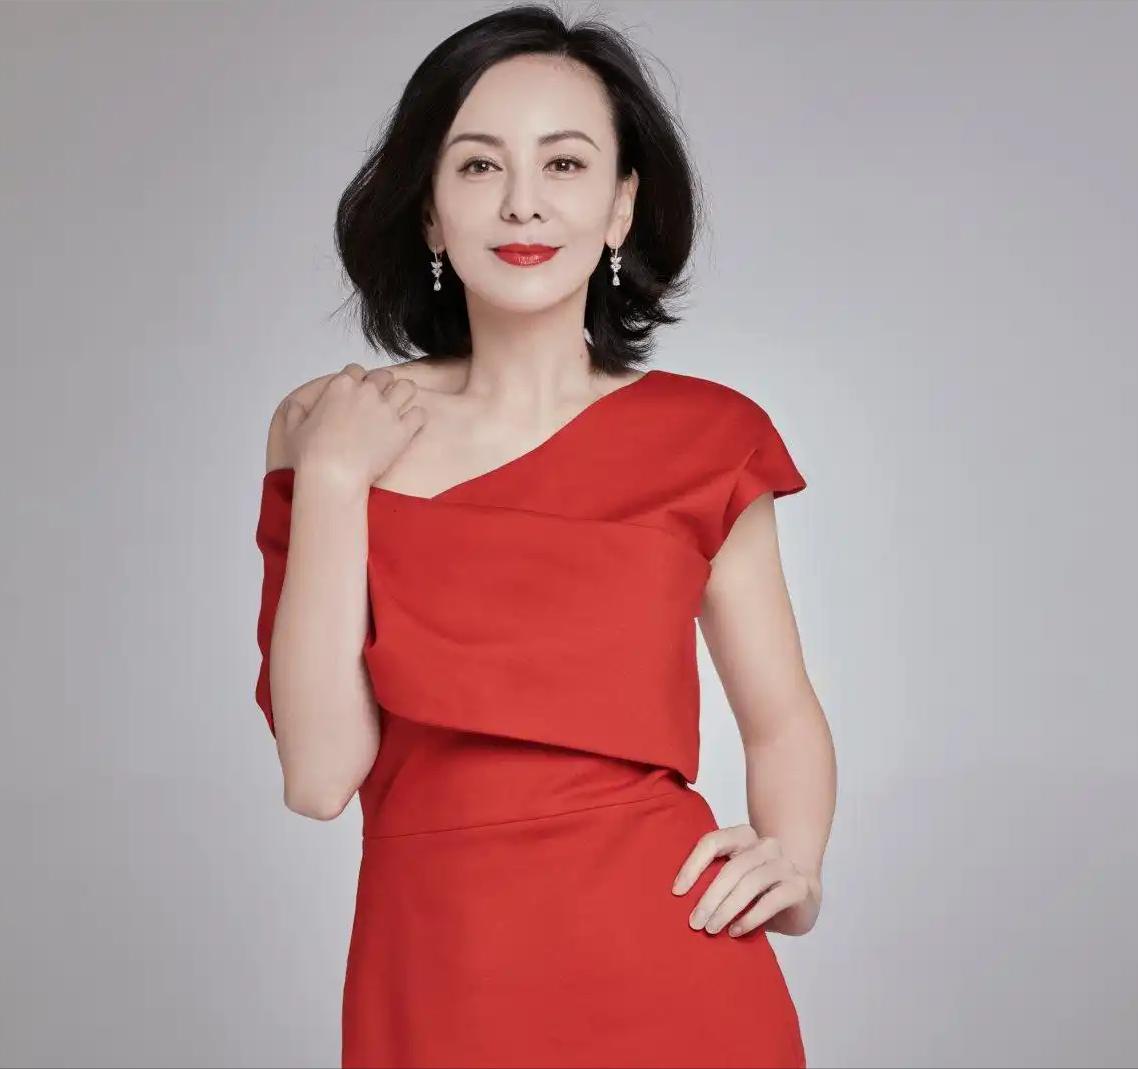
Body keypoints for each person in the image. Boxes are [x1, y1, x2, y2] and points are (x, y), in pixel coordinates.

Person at [253, 5, 837, 1067]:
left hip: (674, 966)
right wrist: (333, 479)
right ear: (430, 212)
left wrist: (793, 865)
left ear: (620, 207)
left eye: (564, 163)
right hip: (440, 968)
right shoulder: (328, 426)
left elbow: (783, 716)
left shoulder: (712, 438)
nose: (522, 200)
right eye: (479, 165)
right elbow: (320, 773)